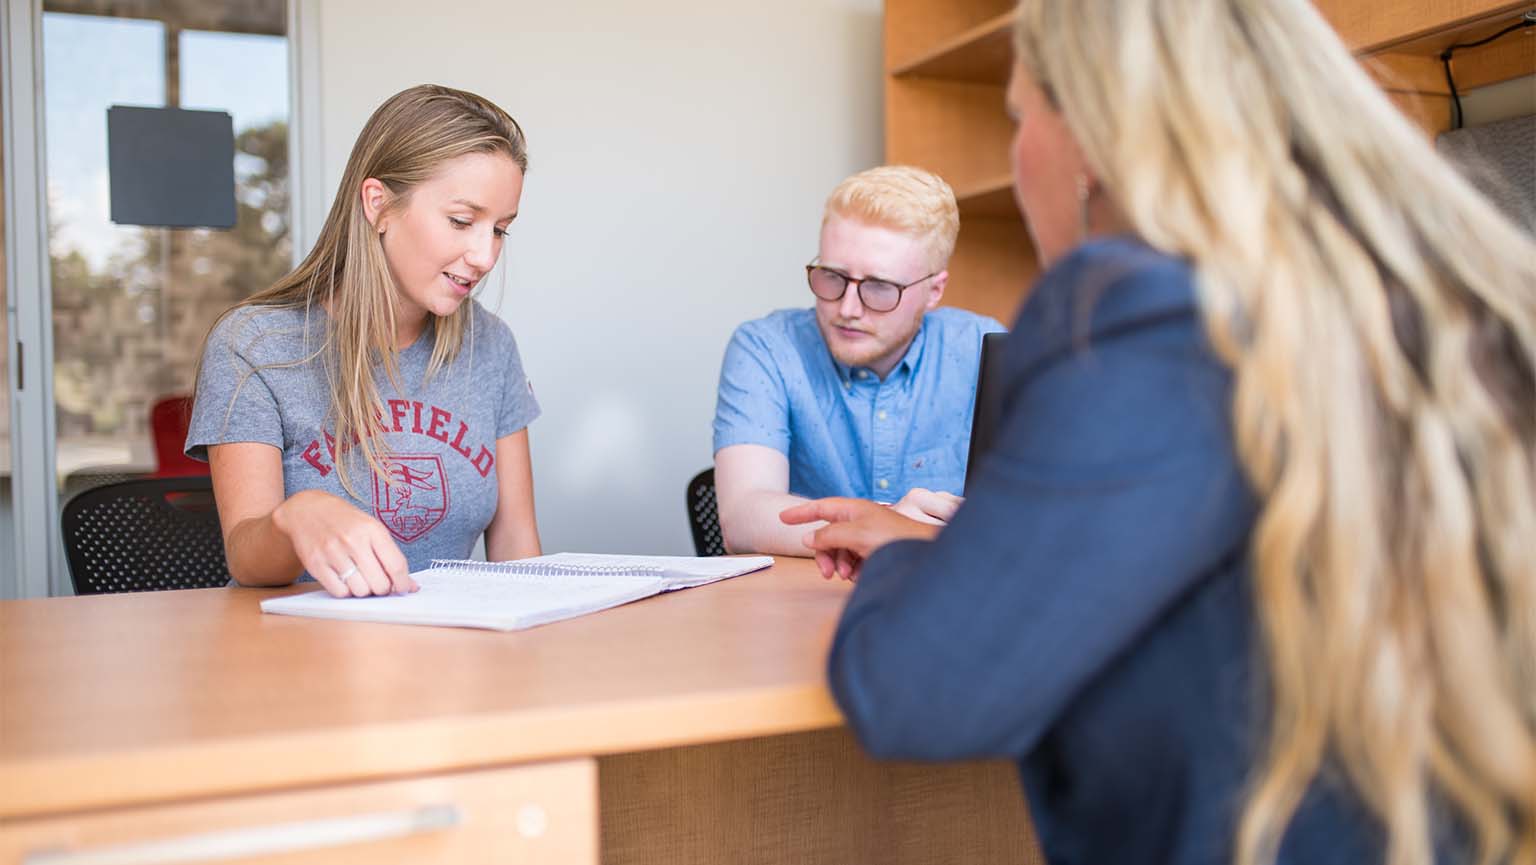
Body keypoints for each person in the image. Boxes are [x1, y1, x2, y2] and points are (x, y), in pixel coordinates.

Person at [782, 1, 1536, 863]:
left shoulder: (1142, 314)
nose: (1019, 152)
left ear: (1093, 141)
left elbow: (911, 689)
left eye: (1023, 118)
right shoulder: (1441, 298)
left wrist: (910, 569)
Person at [187, 84, 542, 599]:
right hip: (293, 664)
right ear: (378, 204)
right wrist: (295, 516)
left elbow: (516, 548)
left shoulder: (491, 345)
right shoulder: (254, 346)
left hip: (453, 663)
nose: (485, 256)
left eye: (500, 230)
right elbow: (247, 559)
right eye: (462, 221)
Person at [711, 165, 1005, 555]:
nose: (847, 308)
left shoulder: (984, 349)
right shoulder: (766, 348)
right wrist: (886, 523)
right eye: (832, 277)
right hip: (798, 603)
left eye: (880, 287)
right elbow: (743, 517)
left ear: (934, 291)